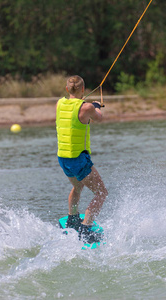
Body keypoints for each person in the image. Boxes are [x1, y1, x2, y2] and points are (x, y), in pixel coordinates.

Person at [56, 75, 108, 243]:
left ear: (66, 89)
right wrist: (95, 106)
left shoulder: (59, 103)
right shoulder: (86, 108)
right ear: (83, 90)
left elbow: (76, 107)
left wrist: (89, 105)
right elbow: (99, 118)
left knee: (77, 186)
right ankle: (86, 228)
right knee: (101, 193)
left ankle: (72, 218)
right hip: (78, 159)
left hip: (63, 157)